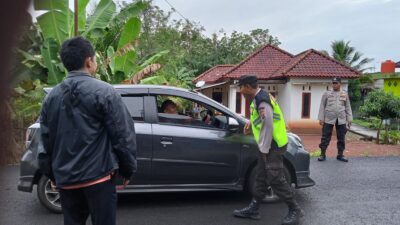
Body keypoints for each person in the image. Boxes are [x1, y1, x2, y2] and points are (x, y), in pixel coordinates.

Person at [38, 37, 137, 225]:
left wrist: (52, 175)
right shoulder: (105, 92)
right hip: (99, 178)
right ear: (89, 61)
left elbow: (45, 142)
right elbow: (122, 136)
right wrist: (128, 169)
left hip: (67, 181)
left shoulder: (51, 98)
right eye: (95, 58)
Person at [233, 75, 303, 225]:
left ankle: (295, 209)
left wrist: (264, 150)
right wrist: (250, 124)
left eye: (241, 87)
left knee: (275, 178)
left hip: (273, 145)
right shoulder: (258, 98)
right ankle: (254, 208)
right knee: (261, 176)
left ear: (248, 86)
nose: (240, 90)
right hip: (267, 145)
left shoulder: (262, 100)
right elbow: (261, 119)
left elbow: (269, 124)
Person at [317, 77, 352, 162]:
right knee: (325, 137)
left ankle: (340, 155)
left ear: (340, 84)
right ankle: (322, 154)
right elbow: (322, 106)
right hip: (328, 118)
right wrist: (321, 118)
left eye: (336, 83)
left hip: (341, 118)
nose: (334, 84)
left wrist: (349, 119)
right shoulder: (327, 94)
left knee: (341, 137)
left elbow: (347, 106)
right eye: (333, 83)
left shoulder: (344, 93)